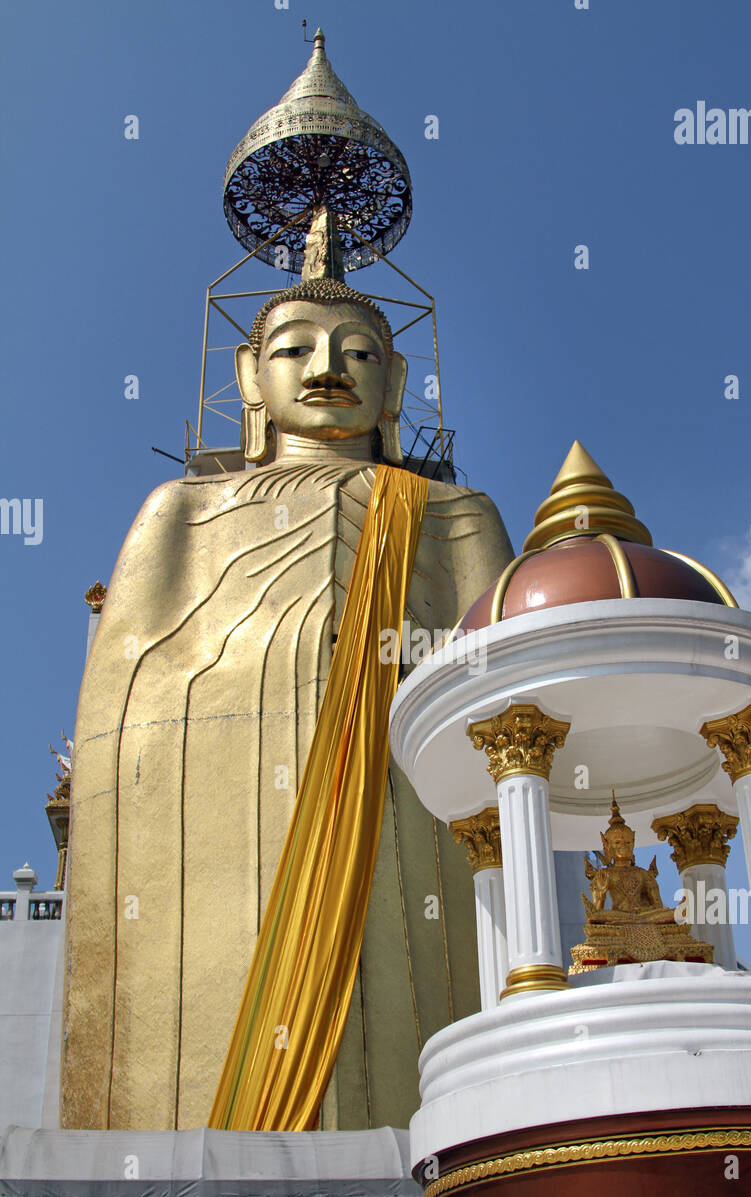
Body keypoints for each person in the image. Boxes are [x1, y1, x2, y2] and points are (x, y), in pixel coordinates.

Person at [62, 262, 513, 1131]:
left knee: (418, 983)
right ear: (248, 377)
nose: (323, 367)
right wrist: (271, 674)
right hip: (217, 805)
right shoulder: (184, 509)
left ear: (397, 384)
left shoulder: (456, 514)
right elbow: (125, 698)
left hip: (409, 801)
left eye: (357, 351)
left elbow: (500, 693)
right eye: (293, 348)